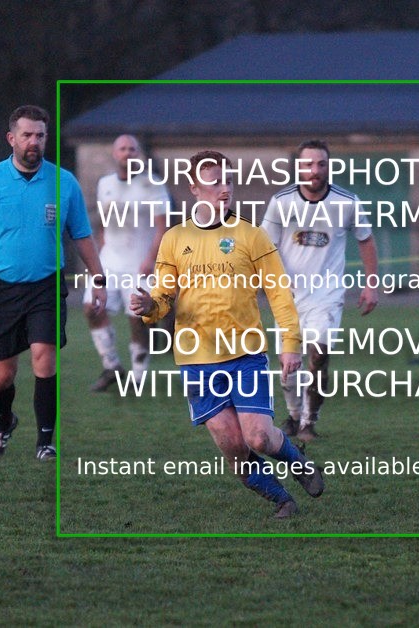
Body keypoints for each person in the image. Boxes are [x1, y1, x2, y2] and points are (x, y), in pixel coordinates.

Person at [130, 150, 324, 519]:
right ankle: (282, 500)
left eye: (228, 181)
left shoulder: (251, 236)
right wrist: (148, 307)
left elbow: (280, 292)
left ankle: (298, 462)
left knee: (258, 438)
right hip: (196, 360)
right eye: (215, 182)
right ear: (194, 189)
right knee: (234, 448)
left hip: (245, 356)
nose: (224, 189)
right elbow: (164, 296)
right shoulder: (175, 239)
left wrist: (290, 345)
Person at [0, 105, 106, 461]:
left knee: (43, 358)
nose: (34, 142)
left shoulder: (65, 182)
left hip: (46, 286)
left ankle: (46, 441)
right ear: (11, 138)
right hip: (1, 288)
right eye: (27, 135)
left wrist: (99, 279)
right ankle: (4, 421)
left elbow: (82, 235)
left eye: (41, 136)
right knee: (2, 376)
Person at [261, 139, 379, 442]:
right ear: (299, 167)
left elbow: (365, 239)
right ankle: (294, 414)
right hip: (287, 296)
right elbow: (264, 247)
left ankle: (310, 421)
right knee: (289, 362)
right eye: (308, 164)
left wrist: (371, 283)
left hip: (327, 294)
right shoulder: (281, 202)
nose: (315, 170)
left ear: (328, 166)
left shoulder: (347, 202)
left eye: (321, 164)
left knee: (319, 352)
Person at [84, 134, 171, 391]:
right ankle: (112, 367)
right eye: (122, 149)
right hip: (109, 260)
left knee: (138, 319)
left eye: (132, 149)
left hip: (140, 262)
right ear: (115, 154)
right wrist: (99, 257)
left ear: (138, 154)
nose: (127, 153)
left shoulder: (152, 184)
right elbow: (103, 223)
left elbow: (163, 228)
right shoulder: (105, 184)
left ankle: (139, 375)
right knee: (92, 308)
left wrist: (151, 260)